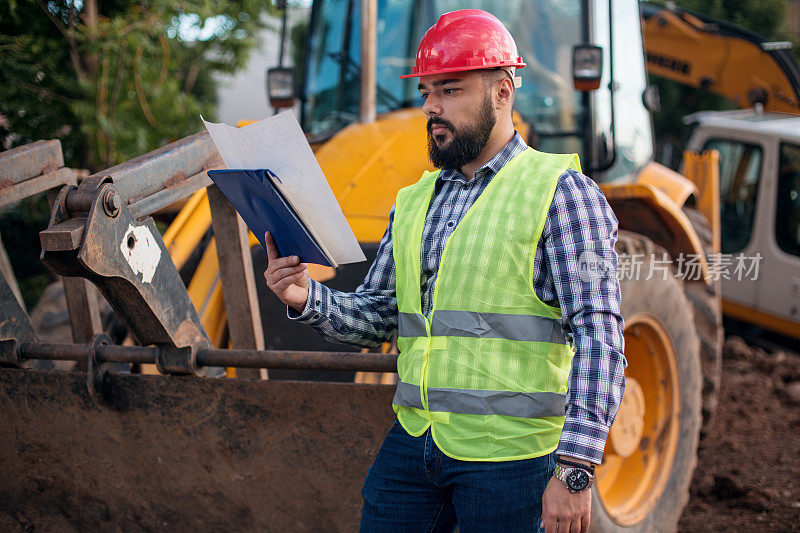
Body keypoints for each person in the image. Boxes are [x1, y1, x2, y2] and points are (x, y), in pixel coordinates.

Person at [264, 9, 625, 533]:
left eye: (450, 89)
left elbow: (600, 337)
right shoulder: (414, 202)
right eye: (428, 91)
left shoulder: (564, 195)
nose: (431, 106)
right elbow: (377, 317)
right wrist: (306, 296)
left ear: (503, 91)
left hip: (512, 461)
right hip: (417, 444)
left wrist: (575, 470)